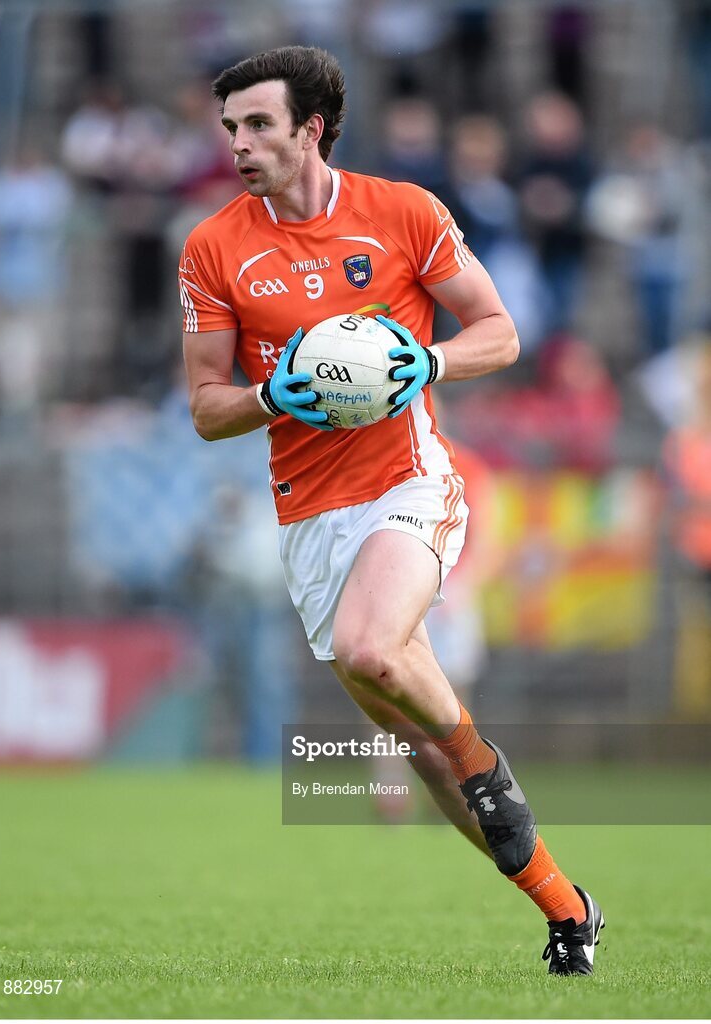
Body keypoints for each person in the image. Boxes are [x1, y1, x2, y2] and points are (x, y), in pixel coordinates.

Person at [179, 45, 604, 975]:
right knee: (417, 746)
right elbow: (208, 407)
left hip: (410, 482)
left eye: (257, 125)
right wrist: (275, 394)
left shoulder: (405, 213)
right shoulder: (214, 246)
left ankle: (478, 758)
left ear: (311, 128)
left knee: (377, 651)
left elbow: (500, 332)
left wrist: (429, 362)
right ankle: (568, 908)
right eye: (230, 129)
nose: (239, 144)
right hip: (309, 518)